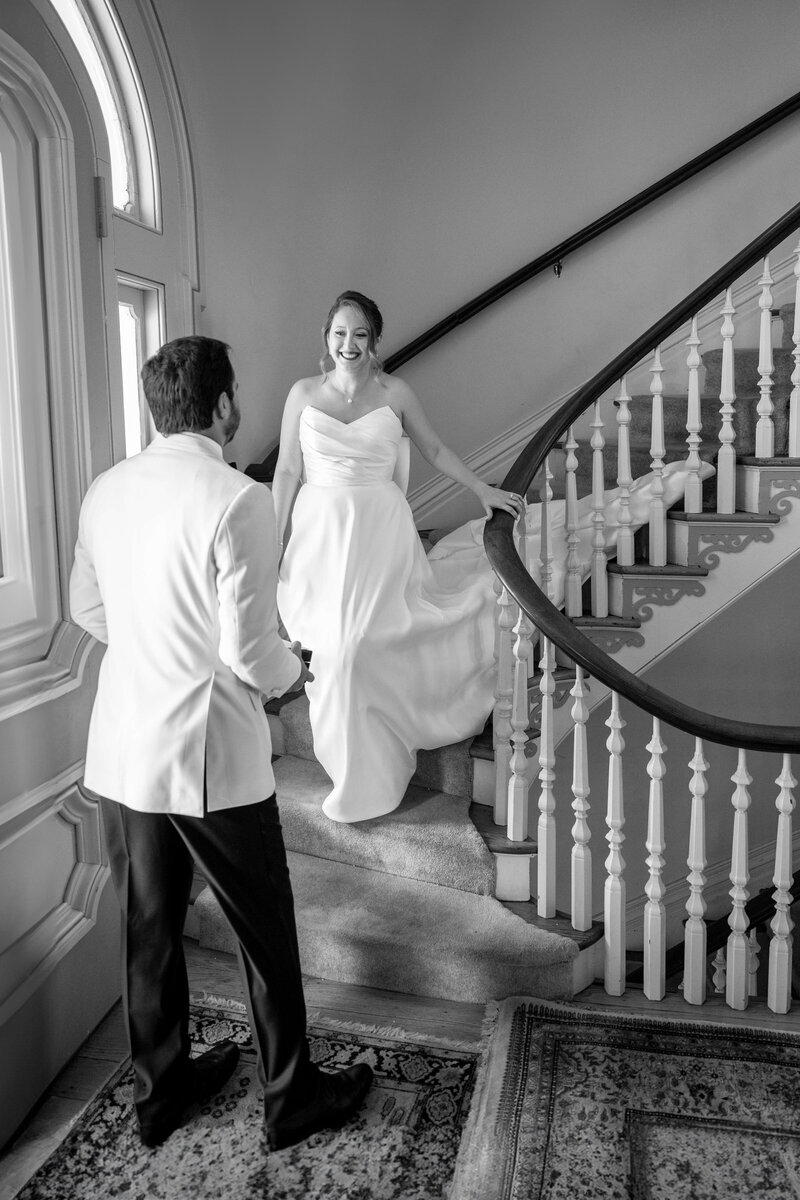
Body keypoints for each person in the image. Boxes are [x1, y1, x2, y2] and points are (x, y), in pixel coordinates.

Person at [69, 335, 372, 1152]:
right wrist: (294, 675)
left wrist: (155, 646)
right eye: (236, 391)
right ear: (224, 404)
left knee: (148, 927)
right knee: (264, 931)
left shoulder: (104, 492)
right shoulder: (237, 499)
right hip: (209, 756)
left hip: (125, 750)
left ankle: (157, 1093)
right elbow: (251, 652)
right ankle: (290, 1098)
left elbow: (84, 611)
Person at [273, 292, 524, 823]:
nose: (349, 345)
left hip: (379, 536)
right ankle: (349, 766)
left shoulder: (396, 392)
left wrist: (482, 490)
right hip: (320, 537)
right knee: (331, 651)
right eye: (340, 333)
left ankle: (367, 775)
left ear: (375, 341)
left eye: (360, 335)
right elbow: (287, 472)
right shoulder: (302, 394)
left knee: (362, 644)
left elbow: (433, 450)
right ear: (326, 338)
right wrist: (272, 543)